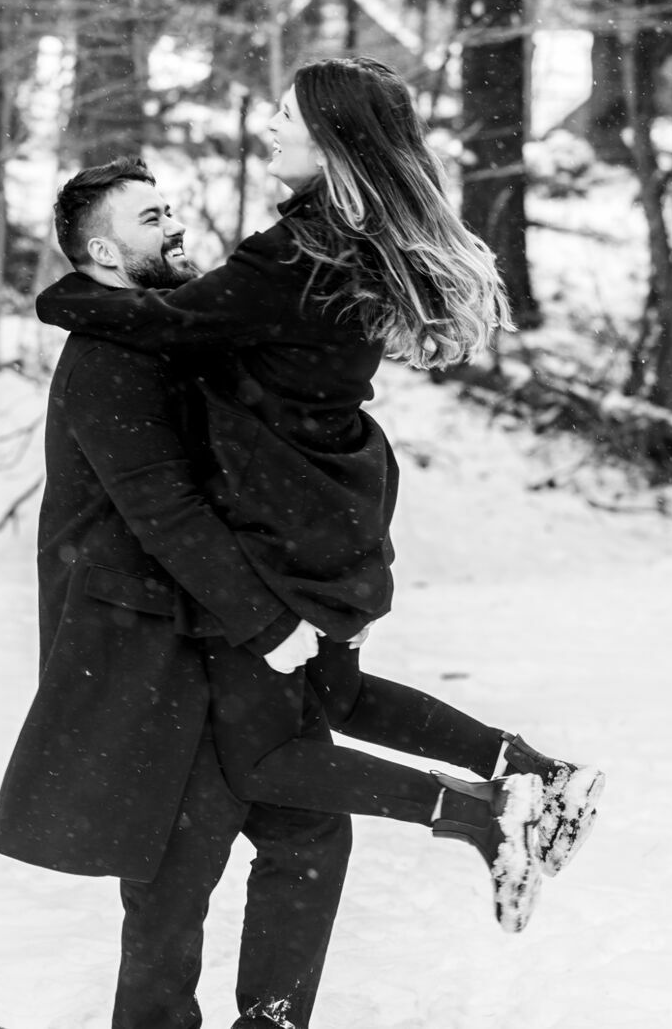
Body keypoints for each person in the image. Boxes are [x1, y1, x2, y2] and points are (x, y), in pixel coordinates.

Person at [34, 58, 605, 930]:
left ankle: (494, 811)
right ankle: (529, 770)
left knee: (266, 760)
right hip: (327, 506)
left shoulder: (293, 253)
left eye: (286, 116)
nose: (268, 124)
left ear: (330, 141)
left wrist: (63, 296)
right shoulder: (348, 237)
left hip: (286, 518)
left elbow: (169, 324)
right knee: (332, 700)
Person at [0, 156, 351, 1029]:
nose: (176, 226)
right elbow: (164, 509)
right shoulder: (110, 359)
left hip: (207, 636)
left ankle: (270, 1020)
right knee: (173, 877)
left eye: (171, 208)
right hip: (148, 656)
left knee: (302, 828)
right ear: (106, 254)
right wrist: (268, 621)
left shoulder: (163, 333)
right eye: (153, 218)